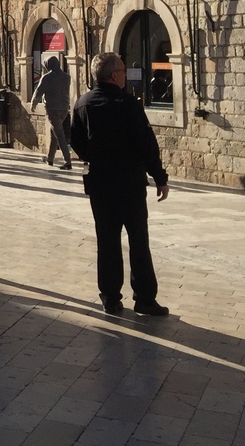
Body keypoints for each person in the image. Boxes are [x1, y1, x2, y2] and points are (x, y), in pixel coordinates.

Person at [70, 52, 170, 316]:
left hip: (100, 183)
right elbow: (146, 144)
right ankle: (145, 298)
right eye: (124, 70)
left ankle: (110, 297)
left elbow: (75, 140)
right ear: (114, 75)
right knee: (138, 239)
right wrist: (159, 176)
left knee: (107, 239)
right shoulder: (128, 104)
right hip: (129, 181)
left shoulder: (82, 103)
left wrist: (93, 156)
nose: (126, 74)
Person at [30, 56, 72, 168]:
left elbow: (38, 92)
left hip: (52, 109)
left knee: (59, 135)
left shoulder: (46, 78)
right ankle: (50, 158)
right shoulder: (67, 77)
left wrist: (33, 104)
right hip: (64, 109)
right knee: (54, 133)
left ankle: (68, 162)